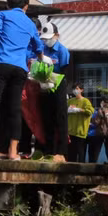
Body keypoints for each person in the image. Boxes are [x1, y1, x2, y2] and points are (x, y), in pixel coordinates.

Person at [0, 0, 42, 160]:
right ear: (26, 7)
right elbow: (38, 46)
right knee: (15, 108)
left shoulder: (2, 14)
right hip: (20, 68)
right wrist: (42, 57)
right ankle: (13, 151)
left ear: (8, 4)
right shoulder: (30, 23)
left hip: (0, 64)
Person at [39, 22, 70, 158]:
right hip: (44, 86)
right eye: (45, 39)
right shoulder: (43, 50)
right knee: (47, 119)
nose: (47, 41)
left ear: (57, 35)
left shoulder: (62, 51)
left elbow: (65, 72)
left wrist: (54, 81)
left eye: (49, 38)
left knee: (60, 118)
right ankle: (48, 150)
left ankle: (62, 151)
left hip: (59, 86)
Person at [66, 83, 95, 163]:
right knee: (71, 153)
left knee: (81, 152)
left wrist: (79, 110)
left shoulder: (86, 101)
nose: (75, 90)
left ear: (82, 90)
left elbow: (90, 111)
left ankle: (81, 171)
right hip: (71, 130)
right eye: (74, 88)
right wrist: (68, 110)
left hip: (80, 131)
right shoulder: (70, 101)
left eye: (77, 88)